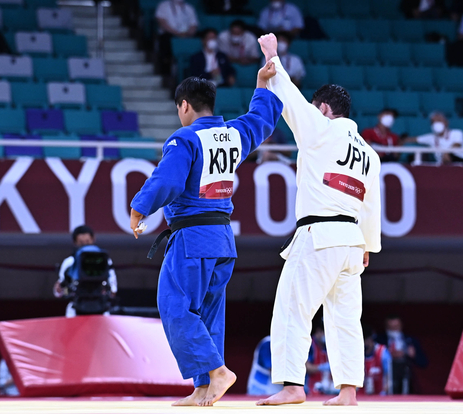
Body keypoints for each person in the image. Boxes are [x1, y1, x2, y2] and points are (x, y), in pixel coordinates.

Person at [129, 65, 283, 407]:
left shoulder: (185, 139)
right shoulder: (233, 134)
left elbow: (167, 180)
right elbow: (263, 118)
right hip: (222, 239)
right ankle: (204, 387)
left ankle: (216, 371)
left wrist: (140, 206)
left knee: (174, 306)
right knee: (207, 313)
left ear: (184, 105)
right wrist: (262, 84)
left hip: (192, 237)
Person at [256, 33, 382, 407]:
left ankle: (294, 385)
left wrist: (273, 58)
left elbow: (290, 98)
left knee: (293, 308)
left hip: (318, 234)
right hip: (351, 241)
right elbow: (370, 205)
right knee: (345, 319)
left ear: (324, 108)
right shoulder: (370, 154)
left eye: (315, 108)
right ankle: (347, 392)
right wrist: (369, 247)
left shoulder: (321, 130)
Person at [53, 225, 117, 318]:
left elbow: (113, 290)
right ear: (75, 242)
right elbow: (59, 292)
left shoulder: (104, 261)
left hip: (101, 307)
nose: (85, 245)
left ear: (93, 239)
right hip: (76, 309)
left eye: (88, 241)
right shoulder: (70, 262)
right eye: (81, 243)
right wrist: (59, 288)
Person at [376, 316, 428, 395]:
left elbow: (423, 362)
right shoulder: (379, 340)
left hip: (406, 380)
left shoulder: (410, 340)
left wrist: (413, 355)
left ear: (401, 326)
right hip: (385, 379)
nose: (393, 330)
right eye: (390, 327)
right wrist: (387, 355)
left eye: (396, 327)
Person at [155, 0, 199, 74]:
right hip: (170, 34)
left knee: (198, 39)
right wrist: (177, 33)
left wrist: (188, 34)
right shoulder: (163, 5)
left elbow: (193, 25)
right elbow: (162, 22)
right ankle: (166, 67)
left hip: (186, 35)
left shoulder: (189, 8)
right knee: (165, 39)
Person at [305, 322, 337, 396]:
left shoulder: (328, 345)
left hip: (327, 387)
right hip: (310, 387)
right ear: (319, 332)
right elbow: (305, 366)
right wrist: (322, 367)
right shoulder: (309, 345)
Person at [362, 326, 392, 396]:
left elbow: (390, 377)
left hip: (380, 395)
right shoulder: (354, 353)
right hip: (359, 395)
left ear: (371, 339)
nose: (365, 343)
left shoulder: (382, 352)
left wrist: (383, 394)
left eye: (367, 340)